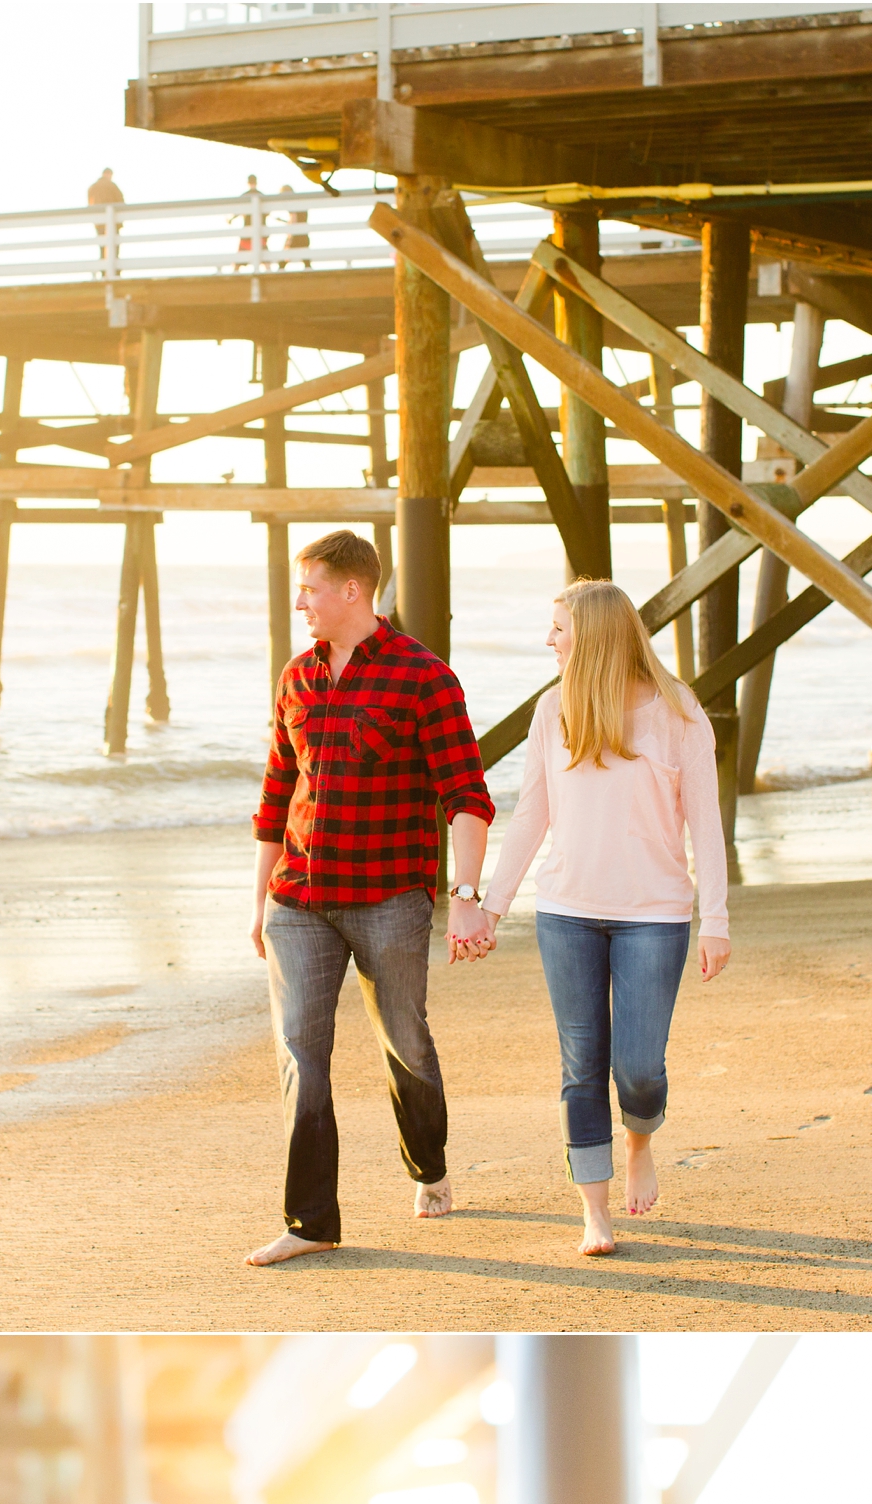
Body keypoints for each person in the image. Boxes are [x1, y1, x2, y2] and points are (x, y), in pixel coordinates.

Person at [456, 578, 728, 1258]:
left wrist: (715, 917)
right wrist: (492, 904)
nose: (549, 640)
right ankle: (595, 1211)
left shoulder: (679, 713)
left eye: (559, 628)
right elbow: (532, 816)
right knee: (582, 1066)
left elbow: (708, 827)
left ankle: (639, 1140)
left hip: (655, 916)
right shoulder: (554, 710)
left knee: (637, 1069)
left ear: (596, 634)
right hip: (567, 913)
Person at [245, 529, 494, 1268]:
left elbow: (467, 798)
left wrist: (467, 897)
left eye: (312, 588)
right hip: (299, 902)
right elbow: (274, 796)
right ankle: (311, 1220)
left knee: (404, 1040)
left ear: (353, 591)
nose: (301, 603)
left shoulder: (426, 679)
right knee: (300, 1053)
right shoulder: (296, 678)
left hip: (389, 897)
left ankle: (429, 1165)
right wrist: (259, 900)